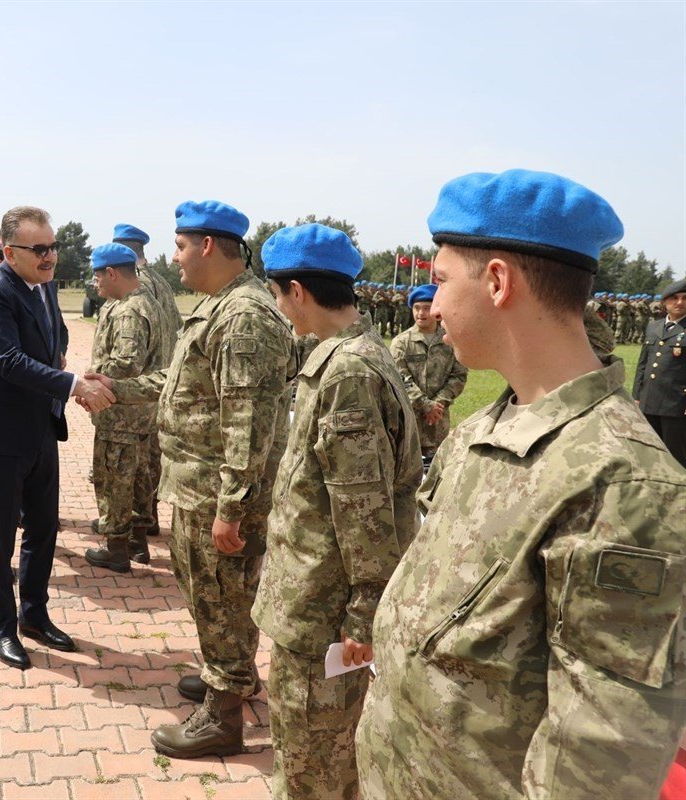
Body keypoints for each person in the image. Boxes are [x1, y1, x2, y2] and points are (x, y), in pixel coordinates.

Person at [356, 169, 686, 799]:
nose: (433, 305)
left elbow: (596, 766)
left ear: (497, 281)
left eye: (441, 281)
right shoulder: (484, 429)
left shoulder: (624, 486)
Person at [97, 200, 294, 759]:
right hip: (198, 486)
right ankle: (229, 679)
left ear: (208, 245)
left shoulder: (243, 317)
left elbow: (248, 422)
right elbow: (180, 383)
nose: (175, 257)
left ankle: (222, 719)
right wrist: (115, 387)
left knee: (220, 600)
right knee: (218, 597)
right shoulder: (220, 306)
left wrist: (232, 506)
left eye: (181, 246)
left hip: (215, 493)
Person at [250, 224, 422, 798]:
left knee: (312, 766)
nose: (279, 305)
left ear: (297, 291)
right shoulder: (351, 356)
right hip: (318, 601)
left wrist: (362, 615)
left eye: (278, 293)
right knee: (320, 753)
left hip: (324, 611)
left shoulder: (349, 373)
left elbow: (363, 509)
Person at [0, 205, 114, 671]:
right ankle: (2, 628)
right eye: (40, 249)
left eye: (53, 246)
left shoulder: (44, 286)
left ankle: (35, 616)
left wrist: (62, 367)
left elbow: (55, 335)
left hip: (41, 425)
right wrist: (71, 385)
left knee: (44, 527)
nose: (50, 256)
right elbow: (7, 360)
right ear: (10, 253)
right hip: (0, 433)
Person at [81, 243, 162, 572]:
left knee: (114, 479)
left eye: (97, 275)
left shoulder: (129, 310)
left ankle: (116, 547)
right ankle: (137, 542)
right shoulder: (144, 301)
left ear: (112, 273)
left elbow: (127, 364)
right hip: (140, 413)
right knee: (140, 478)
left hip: (121, 415)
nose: (95, 282)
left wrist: (91, 384)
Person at [113, 223, 179, 540]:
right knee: (151, 458)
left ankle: (134, 529)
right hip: (160, 383)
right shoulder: (162, 283)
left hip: (139, 387)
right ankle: (148, 518)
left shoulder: (136, 284)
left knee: (134, 463)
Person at [390, 282, 468, 465]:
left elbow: (459, 375)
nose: (421, 313)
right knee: (407, 468)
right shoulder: (401, 343)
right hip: (409, 422)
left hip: (438, 421)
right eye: (417, 308)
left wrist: (438, 404)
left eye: (426, 308)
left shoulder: (449, 340)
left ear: (436, 310)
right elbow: (400, 377)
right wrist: (425, 404)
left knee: (437, 468)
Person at [634, 277, 686, 467]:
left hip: (676, 403)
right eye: (674, 298)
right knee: (648, 451)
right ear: (664, 302)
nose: (679, 302)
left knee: (675, 454)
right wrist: (637, 396)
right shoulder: (653, 326)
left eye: (685, 298)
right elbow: (643, 364)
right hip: (648, 400)